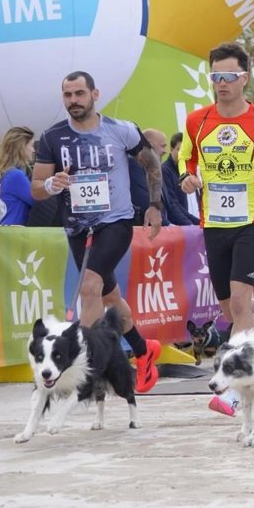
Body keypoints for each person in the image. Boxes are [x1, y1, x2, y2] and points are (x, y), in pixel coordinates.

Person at [30, 70, 166, 392]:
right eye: (68, 95)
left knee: (90, 287)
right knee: (110, 296)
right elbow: (37, 187)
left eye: (79, 93)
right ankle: (144, 350)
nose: (73, 101)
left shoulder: (121, 130)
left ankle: (80, 366)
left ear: (95, 94)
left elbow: (152, 164)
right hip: (79, 227)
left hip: (115, 223)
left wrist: (154, 205)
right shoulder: (52, 137)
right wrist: (51, 184)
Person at [179, 42, 254, 338]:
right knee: (228, 307)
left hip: (252, 222)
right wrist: (186, 176)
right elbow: (186, 157)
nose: (221, 83)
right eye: (216, 77)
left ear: (244, 78)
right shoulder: (197, 120)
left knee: (238, 301)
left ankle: (244, 364)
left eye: (229, 77)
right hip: (214, 222)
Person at [0, 126, 37, 226]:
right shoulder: (15, 175)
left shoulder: (8, 173)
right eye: (31, 145)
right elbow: (37, 200)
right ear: (21, 147)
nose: (33, 150)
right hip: (14, 230)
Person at [160, 132, 199, 226]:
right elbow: (173, 204)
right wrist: (190, 225)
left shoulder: (189, 170)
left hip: (190, 223)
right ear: (171, 150)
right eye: (179, 149)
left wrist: (199, 223)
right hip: (178, 227)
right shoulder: (165, 171)